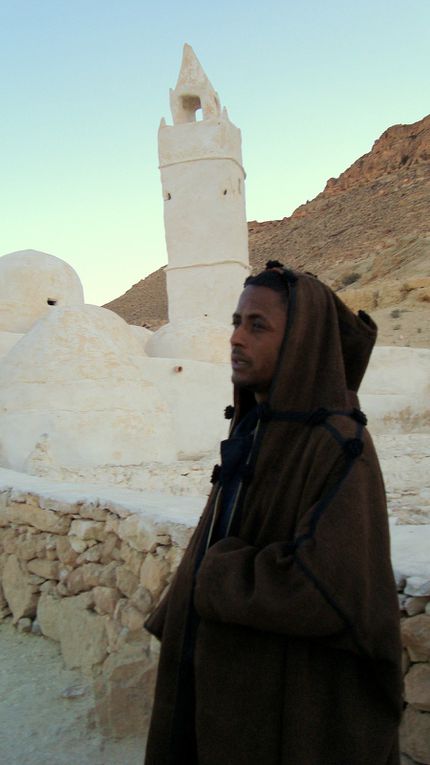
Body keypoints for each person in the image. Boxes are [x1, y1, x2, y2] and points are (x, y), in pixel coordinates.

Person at [144, 262, 403, 765]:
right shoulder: (255, 430)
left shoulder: (339, 444)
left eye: (256, 325)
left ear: (302, 341)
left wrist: (217, 573)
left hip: (288, 704)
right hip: (225, 689)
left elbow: (325, 589)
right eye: (236, 322)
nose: (236, 338)